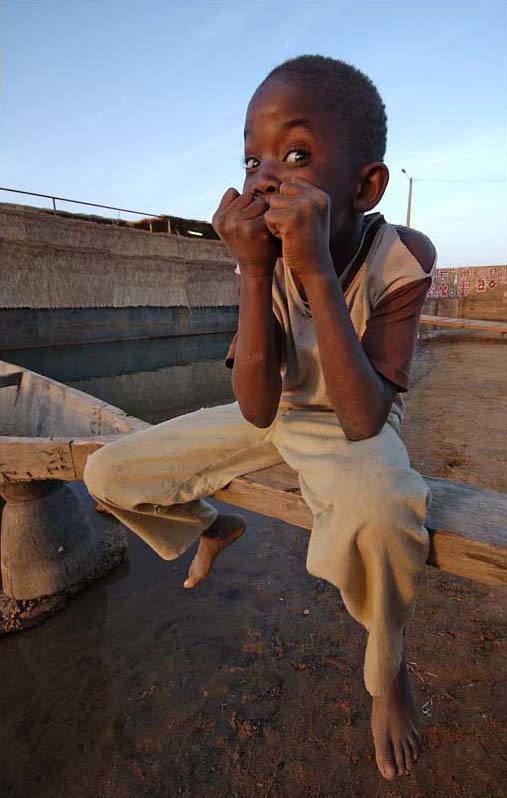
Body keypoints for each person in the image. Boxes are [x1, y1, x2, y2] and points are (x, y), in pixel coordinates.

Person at [83, 55, 436, 781]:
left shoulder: (400, 256)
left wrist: (312, 269)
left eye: (296, 155)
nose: (266, 177)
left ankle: (387, 670)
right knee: (108, 471)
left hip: (352, 423)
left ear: (366, 186)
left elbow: (364, 418)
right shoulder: (260, 258)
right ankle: (213, 525)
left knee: (381, 512)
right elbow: (254, 407)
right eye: (253, 160)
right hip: (274, 409)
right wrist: (253, 271)